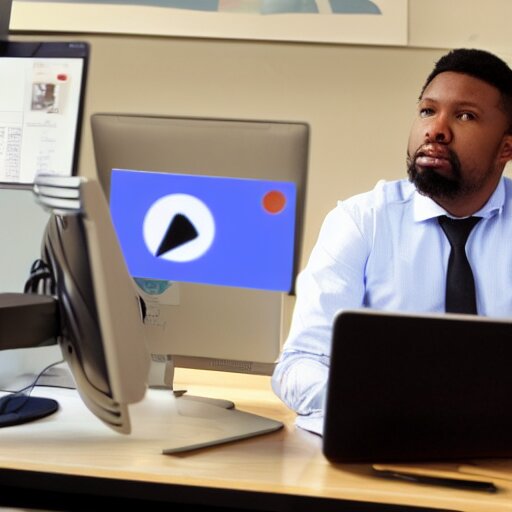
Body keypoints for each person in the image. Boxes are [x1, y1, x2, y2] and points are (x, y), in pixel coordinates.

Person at [271, 48, 512, 434]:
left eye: (465, 116)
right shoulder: (362, 221)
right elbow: (300, 363)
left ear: (506, 148)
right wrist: (379, 408)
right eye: (427, 111)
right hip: (382, 438)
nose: (436, 130)